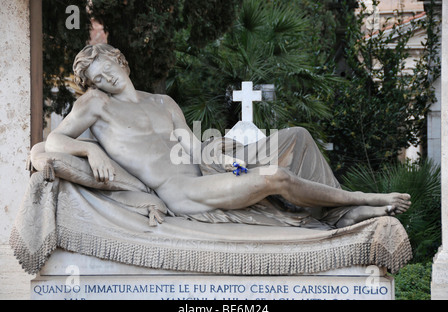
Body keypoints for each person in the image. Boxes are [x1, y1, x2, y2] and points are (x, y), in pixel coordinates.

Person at [45, 44, 411, 228]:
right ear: (93, 86)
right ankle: (361, 199)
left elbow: (189, 144)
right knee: (276, 177)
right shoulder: (96, 105)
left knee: (297, 136)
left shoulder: (163, 101)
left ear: (119, 60)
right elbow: (53, 142)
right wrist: (91, 152)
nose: (105, 77)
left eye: (106, 66)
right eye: (96, 77)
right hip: (182, 191)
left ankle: (340, 213)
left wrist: (218, 156)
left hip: (206, 170)